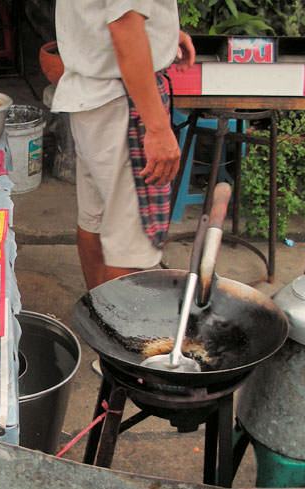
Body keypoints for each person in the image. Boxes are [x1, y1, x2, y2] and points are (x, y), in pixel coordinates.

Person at [51, 1, 195, 289]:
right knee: (131, 245)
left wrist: (161, 31)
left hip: (92, 96)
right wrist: (157, 128)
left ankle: (97, 322)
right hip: (123, 102)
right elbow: (125, 25)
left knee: (97, 220)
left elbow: (115, 14)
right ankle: (117, 331)